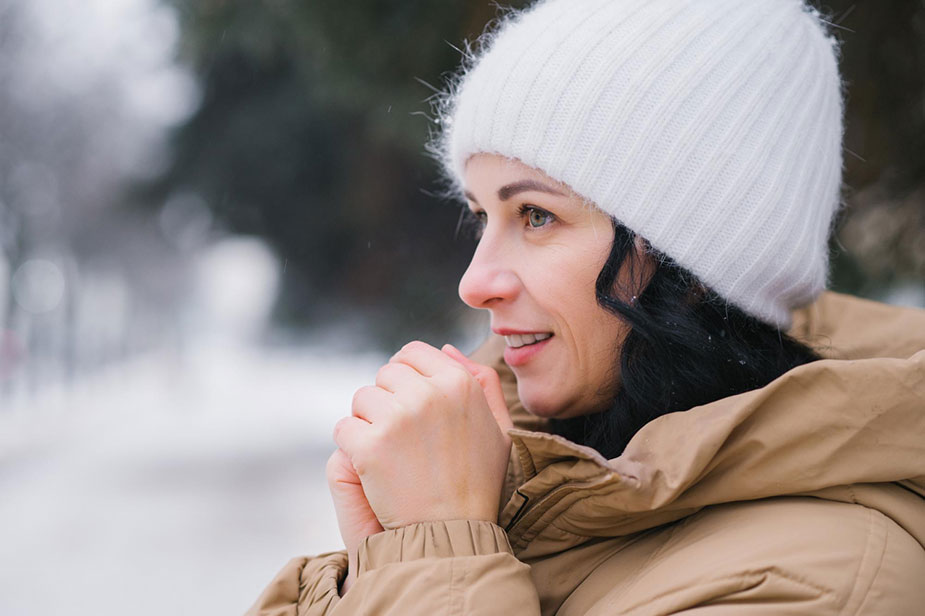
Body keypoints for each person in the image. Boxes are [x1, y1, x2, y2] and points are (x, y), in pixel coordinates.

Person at [246, 1, 925, 613]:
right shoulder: (533, 472)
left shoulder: (821, 580)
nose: (474, 282)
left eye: (535, 214)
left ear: (692, 263)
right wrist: (380, 564)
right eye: (481, 215)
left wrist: (436, 548)